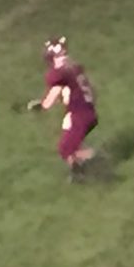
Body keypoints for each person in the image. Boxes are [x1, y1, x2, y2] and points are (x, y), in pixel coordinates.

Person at [27, 37, 99, 180]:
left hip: (80, 115)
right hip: (87, 112)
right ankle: (77, 173)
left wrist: (42, 106)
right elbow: (91, 90)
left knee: (65, 149)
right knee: (69, 137)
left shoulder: (61, 74)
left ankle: (95, 158)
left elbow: (54, 93)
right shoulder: (76, 69)